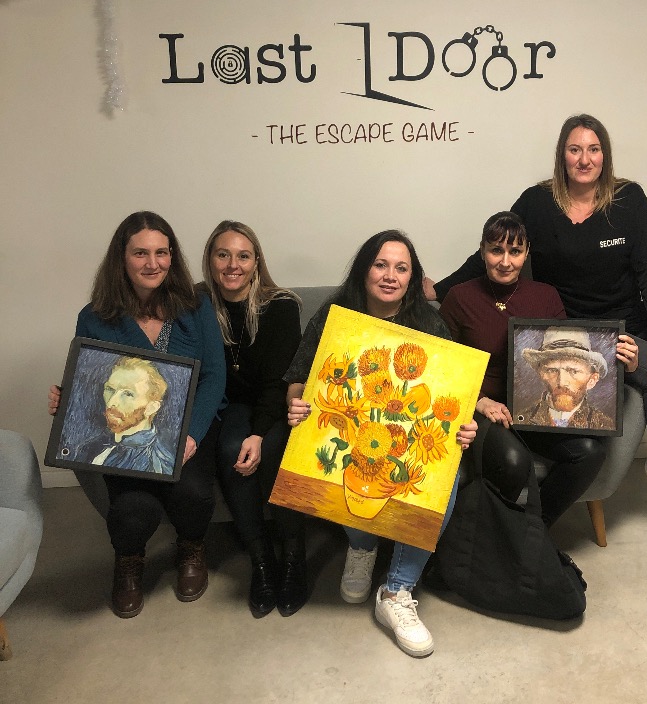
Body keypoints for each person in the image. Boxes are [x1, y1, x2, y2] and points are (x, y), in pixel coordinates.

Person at [430, 114, 647, 565]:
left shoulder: (629, 199)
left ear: (605, 155)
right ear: (562, 155)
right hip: (577, 335)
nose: (584, 159)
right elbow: (494, 248)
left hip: (634, 325)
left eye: (594, 149)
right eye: (575, 149)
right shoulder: (538, 202)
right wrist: (438, 289)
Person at [284, 230, 478, 657]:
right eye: (381, 264)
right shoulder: (335, 315)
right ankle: (362, 546)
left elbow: (454, 394)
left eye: (401, 268)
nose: (391, 275)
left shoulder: (429, 322)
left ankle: (397, 590)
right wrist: (296, 403)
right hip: (352, 427)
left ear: (412, 278)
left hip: (408, 439)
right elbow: (299, 375)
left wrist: (464, 427)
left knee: (445, 475)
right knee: (340, 458)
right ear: (364, 269)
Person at [48, 211, 226, 617]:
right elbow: (90, 382)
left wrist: (192, 434)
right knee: (132, 510)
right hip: (125, 435)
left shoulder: (195, 306)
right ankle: (128, 561)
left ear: (172, 256)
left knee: (193, 494)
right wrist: (66, 400)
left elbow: (214, 376)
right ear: (122, 258)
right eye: (141, 253)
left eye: (162, 252)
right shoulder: (94, 317)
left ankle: (191, 548)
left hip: (189, 427)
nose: (153, 263)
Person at [439, 211, 638, 527]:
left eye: (515, 251)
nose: (506, 261)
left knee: (589, 452)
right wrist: (479, 401)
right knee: (513, 461)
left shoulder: (546, 295)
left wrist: (624, 361)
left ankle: (533, 532)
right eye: (496, 250)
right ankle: (515, 537)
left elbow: (568, 355)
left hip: (533, 413)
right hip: (485, 412)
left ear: (527, 252)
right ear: (482, 251)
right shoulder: (459, 297)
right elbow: (442, 367)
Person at [200, 220, 307, 618]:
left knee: (277, 449)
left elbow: (279, 381)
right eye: (223, 255)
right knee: (231, 450)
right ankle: (261, 560)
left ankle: (294, 557)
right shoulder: (196, 305)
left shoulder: (281, 306)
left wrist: (259, 434)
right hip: (229, 404)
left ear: (256, 262)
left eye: (243, 256)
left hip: (275, 401)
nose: (233, 265)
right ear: (210, 261)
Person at [75, 356, 173, 474]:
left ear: (151, 408)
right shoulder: (90, 447)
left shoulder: (154, 464)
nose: (111, 402)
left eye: (128, 394)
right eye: (110, 389)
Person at [520, 325, 614, 430]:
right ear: (541, 374)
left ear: (592, 380)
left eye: (573, 371)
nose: (562, 382)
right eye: (552, 370)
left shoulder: (606, 426)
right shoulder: (520, 420)